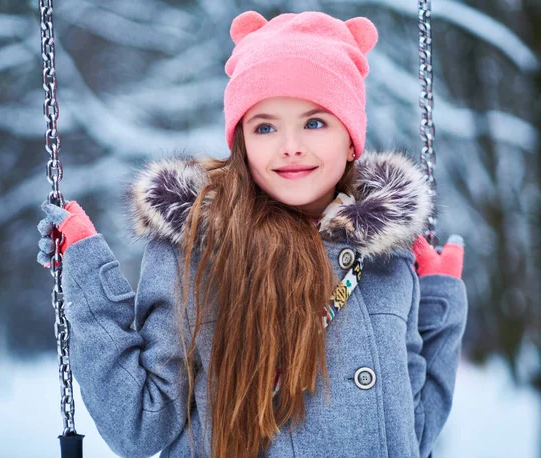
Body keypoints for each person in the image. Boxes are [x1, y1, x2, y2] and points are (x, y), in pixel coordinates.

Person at [37, 10, 467, 458]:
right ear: (242, 140)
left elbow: (413, 432)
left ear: (351, 139)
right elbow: (140, 424)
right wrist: (89, 279)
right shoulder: (197, 253)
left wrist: (437, 302)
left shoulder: (387, 260)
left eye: (315, 122)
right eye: (265, 126)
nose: (290, 145)